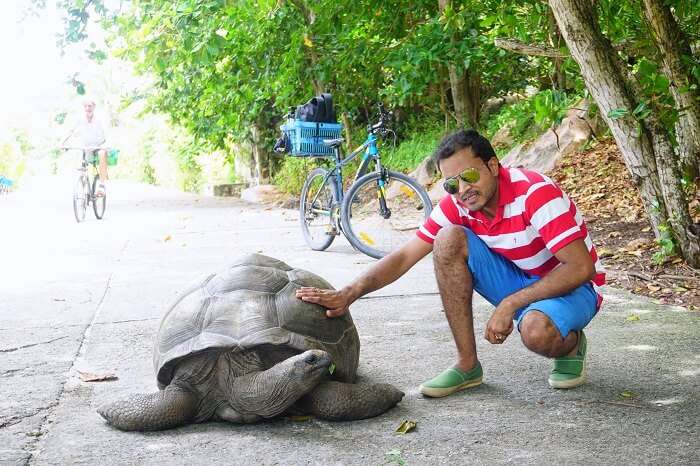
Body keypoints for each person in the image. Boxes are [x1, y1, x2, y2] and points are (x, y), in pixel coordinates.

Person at [296, 128, 605, 397]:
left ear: (493, 166)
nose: (463, 189)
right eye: (451, 184)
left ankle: (572, 344)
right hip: (520, 279)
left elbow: (580, 268)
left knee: (537, 333)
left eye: (470, 176)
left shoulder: (534, 193)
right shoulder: (459, 204)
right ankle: (467, 366)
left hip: (574, 287)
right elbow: (405, 255)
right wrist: (349, 293)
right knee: (447, 239)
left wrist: (510, 304)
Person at [63, 100, 109, 196]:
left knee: (102, 154)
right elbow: (71, 130)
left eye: (90, 106)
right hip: (85, 147)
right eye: (86, 106)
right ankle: (83, 182)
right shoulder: (80, 119)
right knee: (79, 160)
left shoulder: (99, 119)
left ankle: (101, 185)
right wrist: (63, 142)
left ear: (94, 107)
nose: (88, 108)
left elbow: (107, 133)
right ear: (83, 108)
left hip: (98, 146)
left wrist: (106, 144)